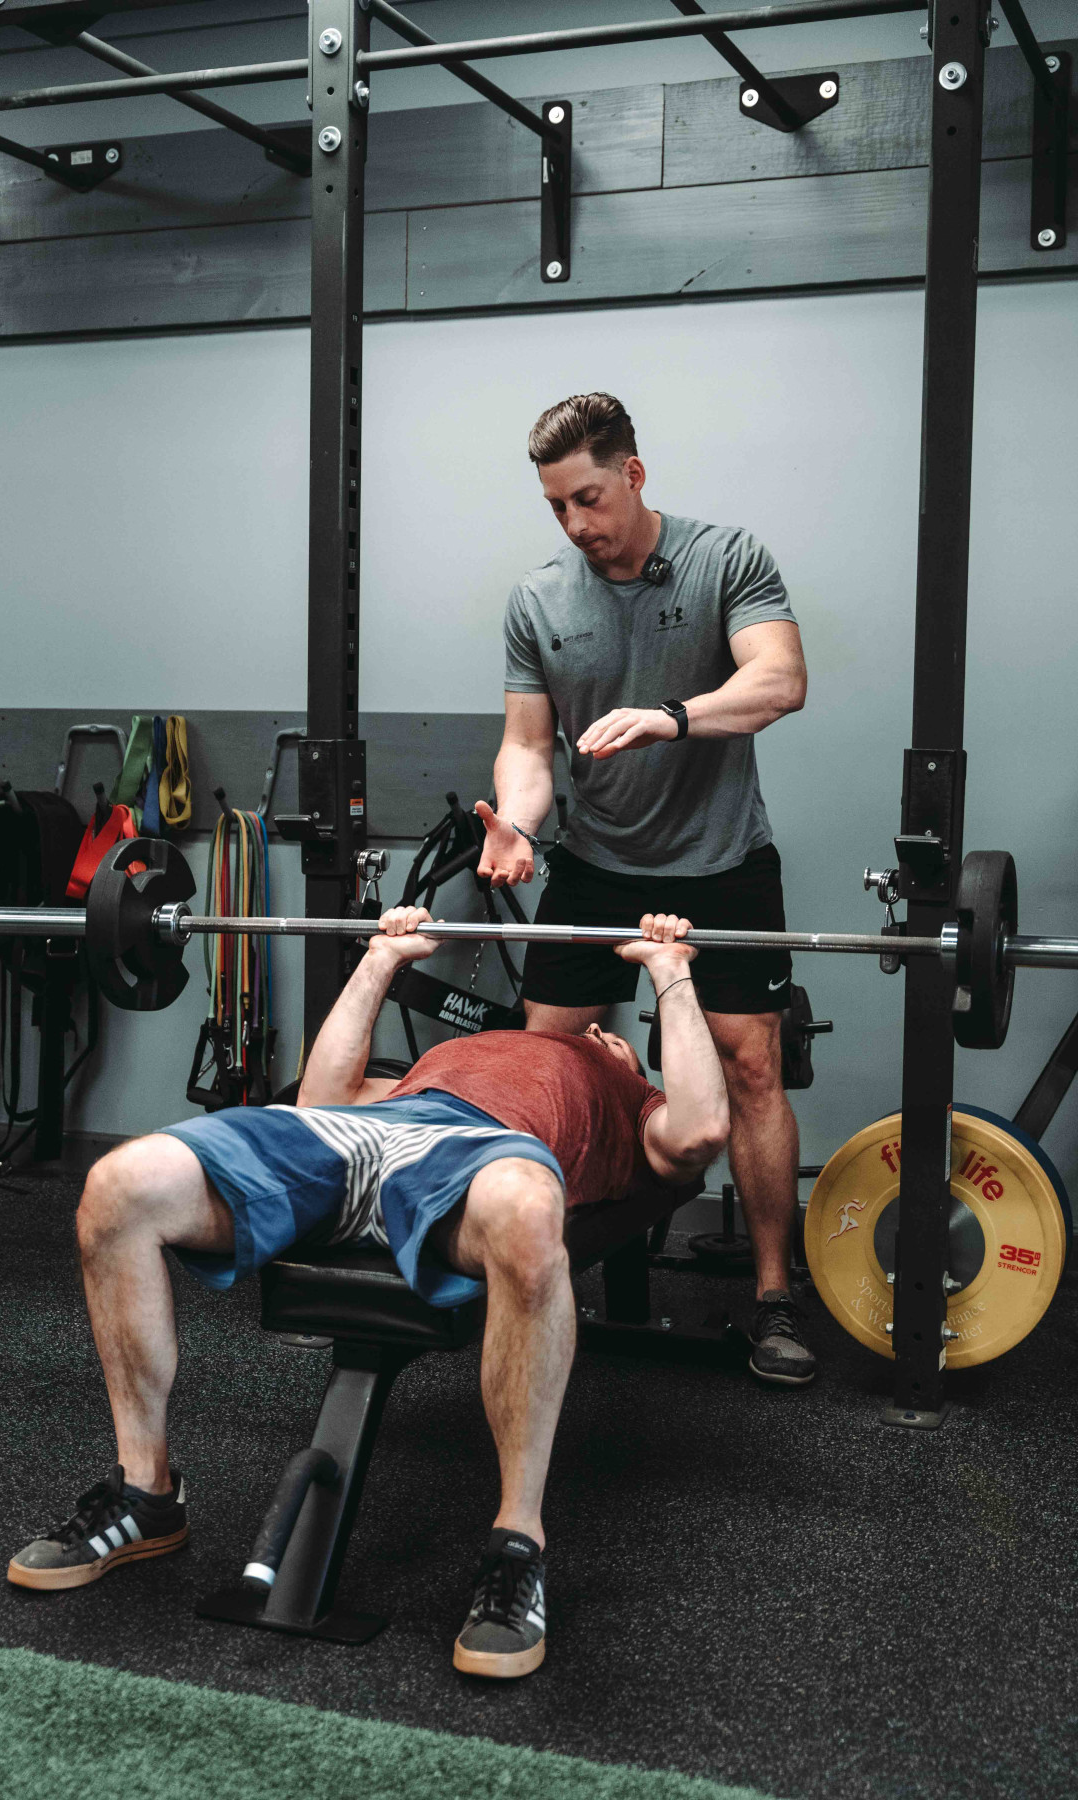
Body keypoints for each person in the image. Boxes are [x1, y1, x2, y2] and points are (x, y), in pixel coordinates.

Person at [7, 905, 729, 1682]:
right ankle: (146, 1494)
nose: (595, 1032)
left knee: (526, 1216)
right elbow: (321, 1098)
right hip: (367, 1129)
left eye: (612, 1038)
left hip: (480, 1156)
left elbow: (700, 1135)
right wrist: (382, 960)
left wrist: (670, 973)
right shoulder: (466, 1048)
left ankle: (516, 1545)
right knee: (119, 1186)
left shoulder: (631, 1097)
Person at [476, 390, 813, 1386]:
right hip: (595, 861)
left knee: (752, 1070)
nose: (579, 526)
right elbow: (528, 748)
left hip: (723, 862)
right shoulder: (538, 600)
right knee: (543, 1064)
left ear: (633, 473)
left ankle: (771, 1294)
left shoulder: (727, 559)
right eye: (557, 509)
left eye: (589, 498)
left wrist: (671, 715)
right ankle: (544, 1265)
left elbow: (781, 680)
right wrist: (519, 825)